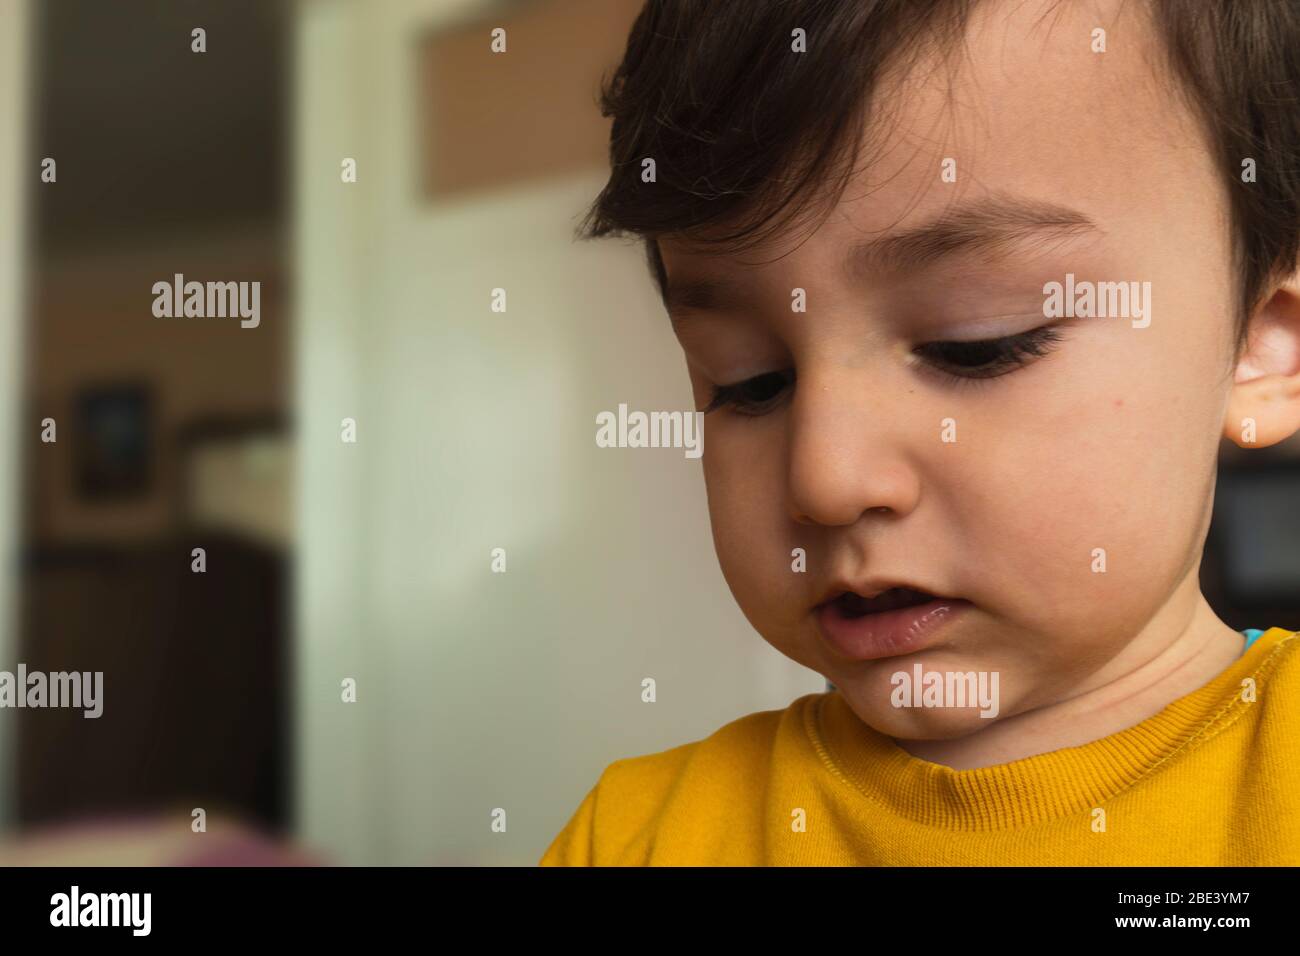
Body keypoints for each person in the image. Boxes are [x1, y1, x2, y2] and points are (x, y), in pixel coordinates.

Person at [541, 0, 1300, 865]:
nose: (824, 479)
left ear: (1263, 347)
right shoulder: (639, 837)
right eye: (751, 382)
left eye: (975, 346)